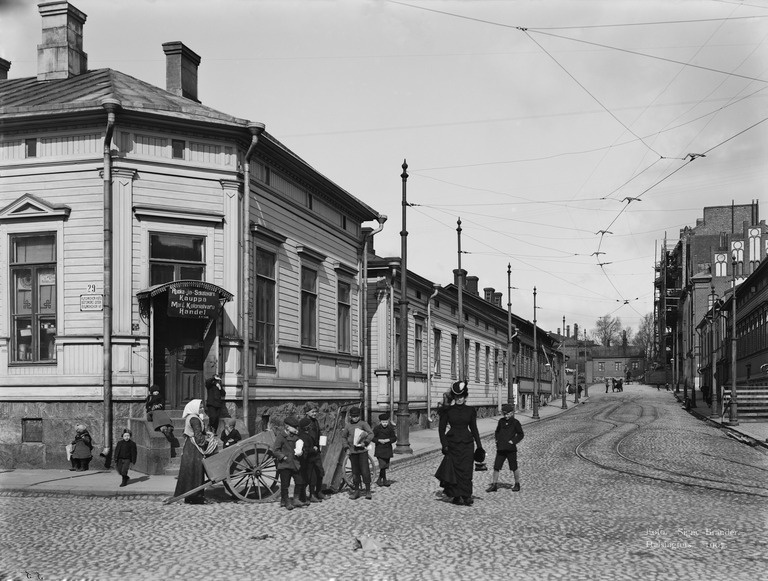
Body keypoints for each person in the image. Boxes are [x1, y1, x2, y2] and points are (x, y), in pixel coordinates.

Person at [437, 381, 484, 506]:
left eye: (461, 396)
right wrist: (444, 445)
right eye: (457, 397)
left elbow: (474, 429)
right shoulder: (448, 411)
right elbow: (441, 429)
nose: (459, 399)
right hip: (452, 445)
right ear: (454, 397)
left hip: (467, 444)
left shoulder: (470, 411)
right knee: (455, 471)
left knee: (467, 470)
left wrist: (479, 446)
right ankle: (456, 496)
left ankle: (467, 495)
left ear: (465, 396)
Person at [173, 399, 212, 504]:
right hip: (194, 448)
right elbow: (198, 436)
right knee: (196, 470)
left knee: (190, 470)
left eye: (202, 407)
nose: (202, 409)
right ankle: (195, 496)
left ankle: (190, 495)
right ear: (194, 408)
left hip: (190, 446)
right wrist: (206, 442)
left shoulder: (192, 417)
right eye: (200, 407)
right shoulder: (194, 419)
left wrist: (205, 433)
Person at [486, 404, 523, 493]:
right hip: (501, 448)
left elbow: (521, 434)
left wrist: (513, 441)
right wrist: (497, 440)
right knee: (496, 466)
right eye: (504, 414)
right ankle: (494, 485)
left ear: (512, 413)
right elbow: (497, 432)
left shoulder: (516, 422)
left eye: (508, 414)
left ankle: (517, 484)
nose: (506, 416)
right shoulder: (501, 421)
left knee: (514, 467)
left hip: (511, 449)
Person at [272, 415, 307, 510]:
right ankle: (286, 501)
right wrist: (283, 457)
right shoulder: (281, 436)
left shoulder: (296, 437)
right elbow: (275, 450)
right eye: (294, 427)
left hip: (295, 463)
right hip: (285, 465)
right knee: (285, 485)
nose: (296, 429)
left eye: (297, 427)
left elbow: (299, 447)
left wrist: (301, 451)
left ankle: (296, 499)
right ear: (287, 427)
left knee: (299, 481)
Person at [342, 406, 374, 500]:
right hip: (353, 452)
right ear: (350, 417)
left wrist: (366, 442)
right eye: (353, 416)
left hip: (362, 451)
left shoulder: (363, 424)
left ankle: (368, 490)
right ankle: (356, 491)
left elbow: (371, 433)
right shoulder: (348, 426)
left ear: (359, 416)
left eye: (357, 416)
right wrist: (346, 447)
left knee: (365, 470)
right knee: (355, 472)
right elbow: (343, 437)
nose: (355, 418)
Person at [303, 403, 326, 501]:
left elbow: (319, 433)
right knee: (311, 474)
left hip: (316, 451)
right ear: (306, 412)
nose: (315, 414)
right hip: (308, 452)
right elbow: (304, 437)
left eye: (316, 412)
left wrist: (321, 444)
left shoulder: (315, 421)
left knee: (320, 472)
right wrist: (311, 447)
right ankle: (311, 494)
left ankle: (319, 492)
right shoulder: (304, 422)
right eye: (312, 412)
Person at [372, 413, 397, 487]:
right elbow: (372, 438)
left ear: (388, 421)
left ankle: (379, 479)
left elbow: (394, 438)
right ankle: (385, 480)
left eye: (386, 422)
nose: (385, 424)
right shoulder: (377, 429)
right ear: (380, 422)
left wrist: (388, 440)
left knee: (385, 465)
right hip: (379, 449)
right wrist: (379, 440)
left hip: (387, 449)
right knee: (382, 465)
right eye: (383, 422)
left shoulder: (390, 429)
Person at [297, 417, 316, 504]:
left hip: (310, 460)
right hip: (306, 461)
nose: (310, 426)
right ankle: (303, 497)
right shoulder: (303, 436)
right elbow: (306, 449)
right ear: (306, 427)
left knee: (312, 478)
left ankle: (311, 495)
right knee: (306, 478)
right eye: (309, 425)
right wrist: (314, 449)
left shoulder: (305, 434)